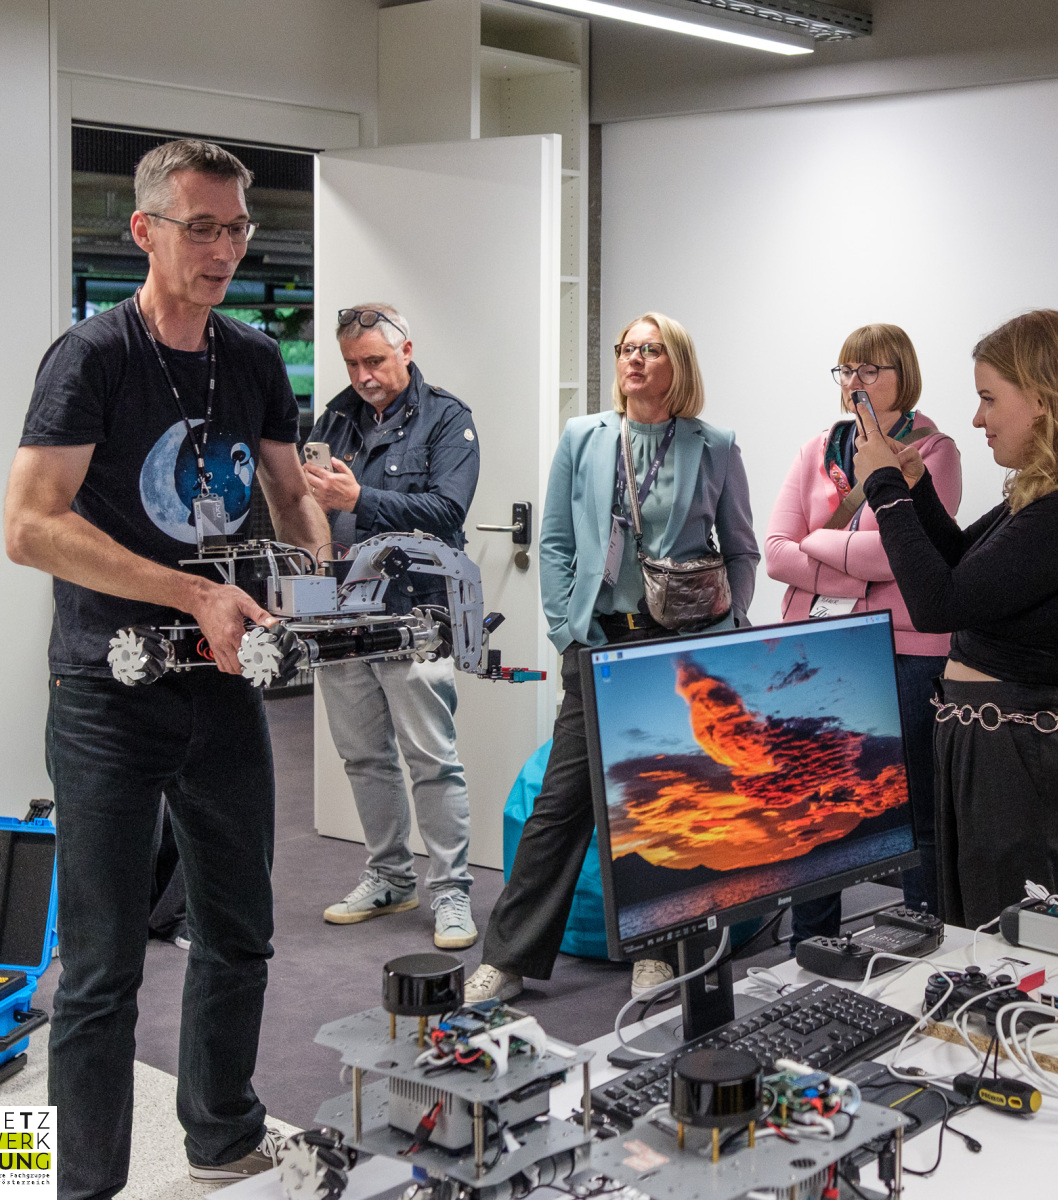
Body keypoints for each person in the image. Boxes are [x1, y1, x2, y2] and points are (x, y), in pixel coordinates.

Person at [4, 139, 329, 1194]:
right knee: (101, 968)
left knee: (238, 931)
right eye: (202, 228)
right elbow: (28, 526)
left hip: (222, 689)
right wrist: (190, 591)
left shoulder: (253, 356)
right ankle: (78, 1183)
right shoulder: (92, 357)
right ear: (145, 230)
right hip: (108, 689)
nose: (225, 249)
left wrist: (324, 585)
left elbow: (288, 495)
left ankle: (222, 1138)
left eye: (237, 229)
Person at [465, 312, 758, 1003]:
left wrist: (724, 633)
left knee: (663, 805)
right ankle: (506, 959)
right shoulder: (585, 437)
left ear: (677, 364)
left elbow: (742, 548)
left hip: (678, 651)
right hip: (599, 643)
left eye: (651, 349)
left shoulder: (714, 445)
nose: (635, 359)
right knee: (560, 807)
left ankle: (658, 951)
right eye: (628, 348)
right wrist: (565, 629)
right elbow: (557, 541)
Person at [855, 309, 1058, 929]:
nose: (978, 419)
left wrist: (884, 490)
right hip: (999, 755)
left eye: (988, 399)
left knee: (1014, 952)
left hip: (1025, 767)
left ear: (1042, 401)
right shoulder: (1046, 496)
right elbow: (961, 565)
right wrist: (915, 487)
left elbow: (939, 605)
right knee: (979, 941)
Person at [765, 324, 962, 938]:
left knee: (913, 810)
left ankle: (921, 942)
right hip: (820, 647)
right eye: (847, 369)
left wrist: (818, 545)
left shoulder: (932, 451)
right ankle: (810, 948)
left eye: (870, 370)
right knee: (814, 805)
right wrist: (859, 572)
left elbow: (906, 554)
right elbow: (775, 552)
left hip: (907, 652)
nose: (855, 382)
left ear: (904, 376)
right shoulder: (816, 449)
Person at [305, 303, 482, 950]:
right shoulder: (334, 418)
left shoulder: (447, 418)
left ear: (406, 350)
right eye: (353, 363)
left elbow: (447, 510)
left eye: (375, 361)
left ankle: (452, 892)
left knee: (432, 760)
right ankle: (389, 877)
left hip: (415, 614)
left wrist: (359, 499)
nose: (364, 376)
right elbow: (307, 507)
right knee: (362, 756)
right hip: (341, 611)